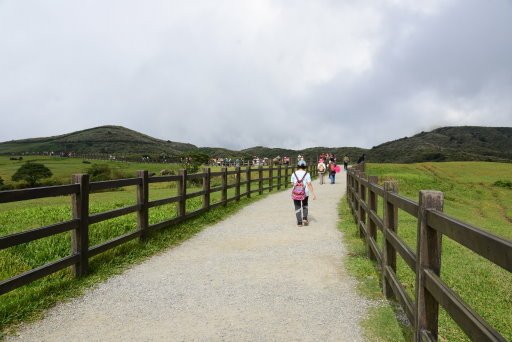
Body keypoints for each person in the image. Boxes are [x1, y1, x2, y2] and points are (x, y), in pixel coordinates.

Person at [291, 160, 317, 226]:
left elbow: (292, 183)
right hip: (305, 192)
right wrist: (313, 193)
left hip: (296, 193)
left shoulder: (294, 173)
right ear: (305, 166)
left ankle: (299, 222)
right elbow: (309, 184)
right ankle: (305, 218)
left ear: (298, 166)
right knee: (305, 205)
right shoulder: (307, 174)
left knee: (297, 206)